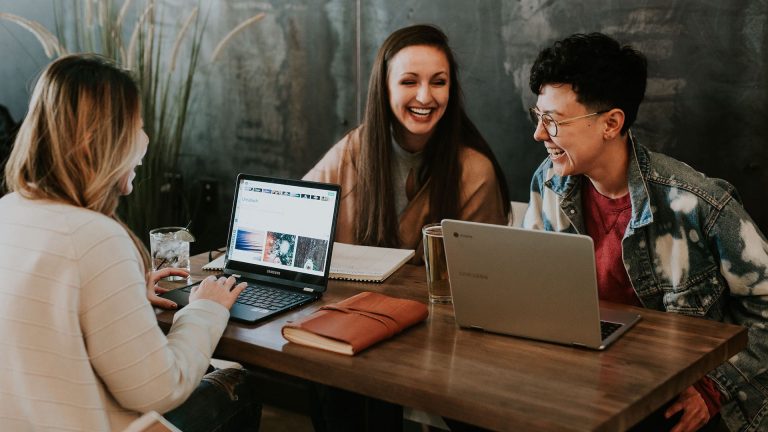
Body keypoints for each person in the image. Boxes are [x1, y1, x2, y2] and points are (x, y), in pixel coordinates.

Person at [0, 54, 261, 431]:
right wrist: (204, 310)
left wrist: (127, 299)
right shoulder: (95, 237)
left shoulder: (9, 210)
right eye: (137, 126)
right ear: (97, 141)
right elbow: (158, 390)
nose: (146, 139)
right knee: (239, 384)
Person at [524, 32, 768, 432]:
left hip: (674, 397)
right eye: (538, 116)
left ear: (611, 123)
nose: (539, 134)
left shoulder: (698, 204)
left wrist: (713, 389)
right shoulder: (548, 182)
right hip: (586, 383)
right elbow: (532, 287)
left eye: (553, 121)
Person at [304, 24, 510, 255]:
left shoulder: (475, 172)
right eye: (409, 82)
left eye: (438, 82)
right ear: (384, 88)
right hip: (351, 292)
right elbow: (295, 216)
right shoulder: (353, 150)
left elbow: (480, 272)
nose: (424, 97)